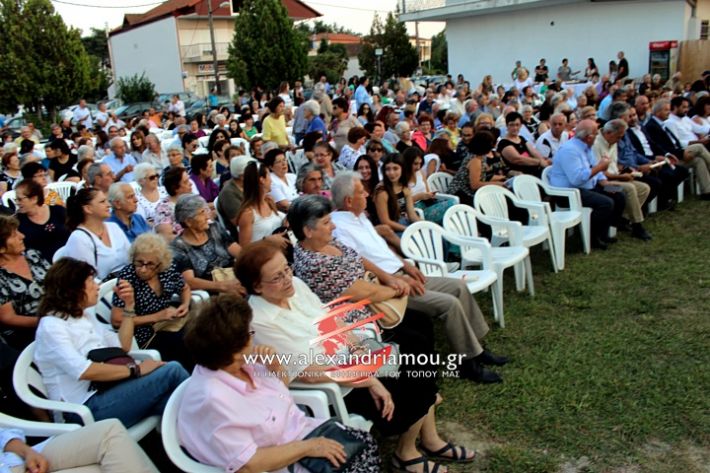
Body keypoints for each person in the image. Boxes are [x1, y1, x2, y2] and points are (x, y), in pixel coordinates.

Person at [236, 242, 477, 472]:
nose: (288, 278)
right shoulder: (260, 320)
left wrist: (359, 348)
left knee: (416, 353)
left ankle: (429, 437)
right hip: (336, 383)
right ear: (257, 286)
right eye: (277, 277)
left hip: (350, 360)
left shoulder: (296, 286)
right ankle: (405, 454)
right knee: (413, 379)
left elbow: (330, 319)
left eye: (287, 269)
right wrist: (368, 378)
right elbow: (307, 374)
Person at [331, 172, 507, 382]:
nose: (367, 194)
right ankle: (467, 363)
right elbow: (361, 266)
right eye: (362, 192)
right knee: (449, 304)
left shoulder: (360, 217)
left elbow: (382, 252)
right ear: (349, 201)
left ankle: (477, 348)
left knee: (459, 288)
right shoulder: (339, 228)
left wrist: (407, 266)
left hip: (401, 273)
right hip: (390, 286)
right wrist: (399, 279)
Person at [178, 293, 381, 473]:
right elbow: (248, 464)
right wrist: (310, 447)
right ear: (235, 350)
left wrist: (275, 366)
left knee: (364, 446)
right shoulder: (214, 399)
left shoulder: (241, 363)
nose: (253, 337)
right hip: (283, 459)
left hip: (303, 432)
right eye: (250, 334)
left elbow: (279, 396)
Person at [33, 257, 189, 428]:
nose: (97, 286)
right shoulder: (52, 327)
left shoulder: (84, 315)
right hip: (83, 409)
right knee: (172, 372)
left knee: (173, 402)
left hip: (110, 389)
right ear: (73, 289)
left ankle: (192, 440)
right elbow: (84, 370)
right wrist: (135, 370)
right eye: (91, 281)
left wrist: (129, 307)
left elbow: (122, 346)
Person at [110, 233, 193, 368]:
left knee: (199, 334)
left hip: (168, 324)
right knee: (183, 343)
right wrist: (156, 317)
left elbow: (184, 288)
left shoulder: (167, 270)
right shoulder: (128, 277)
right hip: (144, 335)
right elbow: (117, 320)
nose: (143, 269)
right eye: (139, 262)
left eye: (150, 264)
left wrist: (185, 304)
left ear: (160, 264)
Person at [547, 120, 623, 250]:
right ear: (589, 137)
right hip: (569, 192)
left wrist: (604, 182)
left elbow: (593, 167)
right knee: (606, 203)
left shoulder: (586, 147)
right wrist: (600, 167)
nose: (598, 135)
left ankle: (604, 232)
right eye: (596, 132)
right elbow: (577, 179)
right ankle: (591, 237)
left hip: (587, 186)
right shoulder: (570, 151)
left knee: (619, 194)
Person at [0, 419, 160, 473]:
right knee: (115, 465)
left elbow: (3, 434)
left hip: (18, 459)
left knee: (109, 432)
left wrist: (28, 452)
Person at [614, 103, 686, 212]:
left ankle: (637, 212)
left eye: (634, 115)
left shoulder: (627, 132)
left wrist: (649, 162)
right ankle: (634, 214)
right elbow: (618, 162)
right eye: (629, 116)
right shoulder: (616, 136)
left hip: (635, 167)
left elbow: (635, 153)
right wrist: (639, 167)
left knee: (678, 171)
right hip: (621, 175)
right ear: (621, 118)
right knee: (655, 182)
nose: (632, 119)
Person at [171, 194, 243, 296]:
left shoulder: (214, 228)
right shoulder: (178, 246)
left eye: (206, 211)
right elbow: (190, 281)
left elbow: (238, 252)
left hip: (235, 281)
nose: (207, 216)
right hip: (212, 294)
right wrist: (223, 286)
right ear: (188, 221)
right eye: (202, 212)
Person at [592, 120, 652, 240]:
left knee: (644, 188)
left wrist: (625, 171)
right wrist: (621, 177)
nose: (619, 140)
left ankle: (622, 219)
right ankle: (637, 225)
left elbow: (614, 165)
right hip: (603, 185)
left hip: (615, 177)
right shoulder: (596, 144)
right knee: (629, 189)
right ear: (608, 133)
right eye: (618, 137)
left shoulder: (612, 141)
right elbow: (600, 173)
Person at [0, 215, 49, 350]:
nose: (22, 236)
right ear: (1, 248)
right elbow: (8, 317)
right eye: (14, 235)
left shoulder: (32, 255)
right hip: (26, 334)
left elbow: (57, 282)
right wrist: (45, 321)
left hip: (56, 316)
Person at [644, 99, 710, 199]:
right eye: (666, 110)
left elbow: (675, 142)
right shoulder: (653, 126)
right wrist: (682, 153)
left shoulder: (663, 124)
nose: (669, 112)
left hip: (680, 151)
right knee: (700, 147)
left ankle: (706, 192)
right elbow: (662, 147)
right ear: (658, 112)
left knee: (698, 160)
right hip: (673, 155)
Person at [63, 188, 131, 281]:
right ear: (88, 209)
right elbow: (87, 278)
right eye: (102, 202)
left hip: (128, 283)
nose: (108, 205)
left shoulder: (114, 227)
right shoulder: (79, 238)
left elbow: (131, 258)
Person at [15, 180, 69, 262]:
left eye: (20, 199)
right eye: (16, 199)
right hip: (42, 266)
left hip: (69, 259)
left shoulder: (58, 211)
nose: (17, 203)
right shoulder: (18, 221)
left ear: (34, 199)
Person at [236, 162, 289, 247]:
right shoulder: (247, 213)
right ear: (262, 180)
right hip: (263, 257)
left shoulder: (269, 201)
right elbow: (244, 248)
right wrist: (267, 240)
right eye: (268, 175)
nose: (271, 180)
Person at [449, 130, 507, 205]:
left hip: (469, 191)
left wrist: (503, 178)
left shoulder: (480, 157)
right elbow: (475, 185)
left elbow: (483, 176)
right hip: (462, 194)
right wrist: (498, 184)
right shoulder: (475, 160)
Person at [375, 153, 421, 234]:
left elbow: (411, 215)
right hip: (391, 229)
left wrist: (424, 225)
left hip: (404, 223)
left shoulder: (405, 189)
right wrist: (408, 229)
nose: (391, 173)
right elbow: (385, 221)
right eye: (388, 169)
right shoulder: (382, 192)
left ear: (402, 169)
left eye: (395, 168)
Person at [498, 112, 549, 176]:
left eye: (517, 125)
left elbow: (534, 152)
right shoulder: (503, 143)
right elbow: (518, 159)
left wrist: (543, 160)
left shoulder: (521, 138)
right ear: (507, 125)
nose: (515, 128)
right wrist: (539, 162)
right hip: (519, 175)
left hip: (533, 171)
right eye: (511, 125)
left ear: (521, 125)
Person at [216, 155, 255, 239]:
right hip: (245, 233)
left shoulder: (248, 185)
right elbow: (238, 221)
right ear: (242, 176)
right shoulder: (228, 193)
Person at [155, 166, 193, 241]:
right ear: (175, 188)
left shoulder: (194, 200)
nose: (191, 184)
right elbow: (167, 237)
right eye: (186, 182)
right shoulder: (163, 209)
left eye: (189, 180)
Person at [264, 148, 297, 212]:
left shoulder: (292, 176)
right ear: (271, 167)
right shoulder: (271, 180)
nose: (283, 163)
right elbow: (284, 205)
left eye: (284, 160)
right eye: (279, 162)